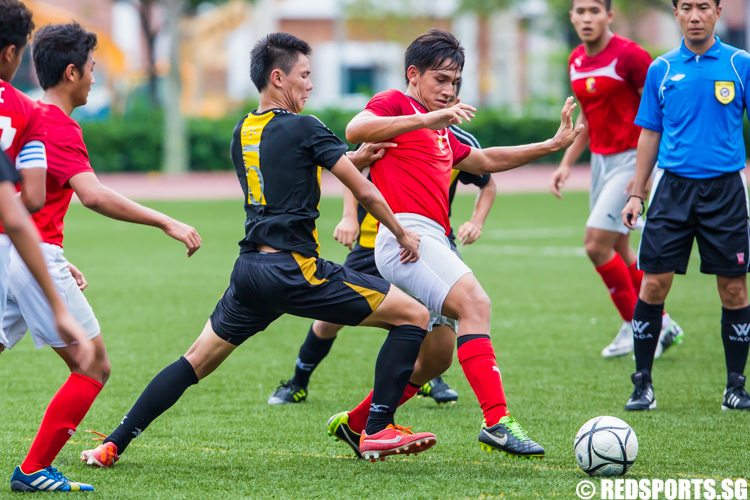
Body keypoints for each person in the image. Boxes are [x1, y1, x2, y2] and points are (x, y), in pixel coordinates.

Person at [81, 32, 438, 468]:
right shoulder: (307, 126)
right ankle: (377, 428)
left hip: (250, 271)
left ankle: (112, 444)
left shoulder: (242, 130)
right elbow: (362, 189)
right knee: (414, 316)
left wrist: (352, 158)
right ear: (277, 77)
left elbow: (290, 179)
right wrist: (402, 233)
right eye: (304, 75)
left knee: (194, 361)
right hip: (293, 269)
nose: (309, 85)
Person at [328, 29, 583, 460]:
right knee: (476, 304)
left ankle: (356, 424)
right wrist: (427, 119)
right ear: (414, 75)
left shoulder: (444, 132)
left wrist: (552, 144)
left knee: (436, 359)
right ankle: (497, 422)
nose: (449, 91)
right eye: (441, 80)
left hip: (432, 239)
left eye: (455, 82)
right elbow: (356, 128)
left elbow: (486, 161)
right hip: (404, 236)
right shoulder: (397, 104)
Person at [6, 23, 202, 492]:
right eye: (93, 68)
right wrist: (165, 221)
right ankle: (33, 471)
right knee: (93, 366)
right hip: (29, 256)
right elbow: (92, 196)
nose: (96, 78)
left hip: (10, 251)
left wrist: (47, 250)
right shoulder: (58, 126)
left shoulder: (26, 116)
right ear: (72, 72)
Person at [268, 81, 496, 408]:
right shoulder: (394, 122)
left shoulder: (459, 142)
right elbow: (354, 167)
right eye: (440, 84)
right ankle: (297, 383)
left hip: (429, 242)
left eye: (452, 91)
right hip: (375, 239)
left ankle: (429, 377)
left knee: (434, 315)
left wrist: (476, 221)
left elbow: (488, 180)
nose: (445, 97)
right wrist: (349, 216)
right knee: (331, 318)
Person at [621, 0, 750, 411]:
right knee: (654, 284)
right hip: (672, 191)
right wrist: (636, 193)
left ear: (717, 12)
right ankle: (642, 384)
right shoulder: (661, 69)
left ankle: (735, 386)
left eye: (703, 8)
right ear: (675, 13)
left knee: (733, 287)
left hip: (727, 191)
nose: (695, 16)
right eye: (686, 8)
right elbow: (649, 135)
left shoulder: (739, 64)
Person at [550, 0, 683, 359]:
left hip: (631, 160)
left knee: (596, 245)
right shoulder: (575, 59)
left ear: (609, 16)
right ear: (572, 17)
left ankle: (637, 327)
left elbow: (659, 117)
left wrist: (647, 175)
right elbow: (589, 121)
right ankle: (663, 323)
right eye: (581, 11)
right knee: (620, 249)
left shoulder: (631, 57)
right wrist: (565, 164)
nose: (587, 18)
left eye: (595, 10)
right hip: (601, 164)